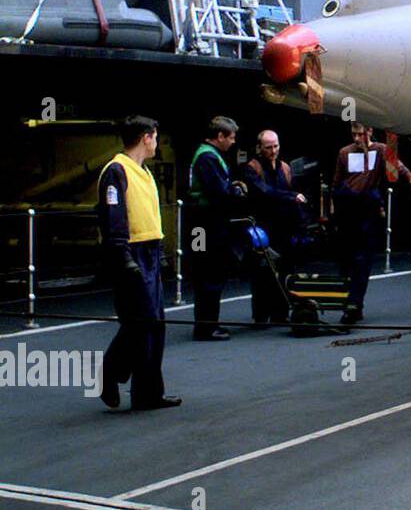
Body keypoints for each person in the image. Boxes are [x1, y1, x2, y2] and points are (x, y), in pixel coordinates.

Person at [96, 116, 179, 410]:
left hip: (149, 251)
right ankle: (109, 372)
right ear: (147, 137)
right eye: (155, 137)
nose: (157, 142)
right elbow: (113, 218)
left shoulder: (142, 172)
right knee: (139, 322)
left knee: (153, 324)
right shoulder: (117, 172)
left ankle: (148, 392)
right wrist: (124, 257)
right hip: (131, 252)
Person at [331, 123, 411, 324]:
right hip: (347, 210)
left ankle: (354, 304)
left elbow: (402, 171)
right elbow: (336, 183)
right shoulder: (344, 152)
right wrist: (332, 213)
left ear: (369, 132)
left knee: (362, 260)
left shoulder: (381, 150)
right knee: (347, 261)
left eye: (360, 134)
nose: (357, 138)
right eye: (354, 134)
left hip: (367, 210)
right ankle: (352, 304)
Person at [187, 116, 246, 341]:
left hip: (201, 223)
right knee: (211, 273)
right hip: (208, 223)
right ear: (220, 136)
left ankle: (206, 323)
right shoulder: (208, 158)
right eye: (230, 137)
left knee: (206, 274)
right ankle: (207, 327)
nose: (233, 142)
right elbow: (219, 193)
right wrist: (235, 192)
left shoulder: (205, 154)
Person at [242, 129, 309, 325]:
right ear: (259, 148)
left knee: (285, 268)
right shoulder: (252, 168)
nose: (273, 151)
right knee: (263, 271)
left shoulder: (285, 168)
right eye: (268, 147)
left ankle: (280, 312)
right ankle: (261, 315)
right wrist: (290, 197)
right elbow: (264, 192)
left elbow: (290, 191)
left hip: (284, 225)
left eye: (276, 146)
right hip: (263, 227)